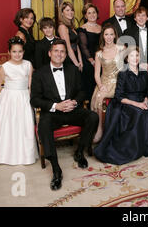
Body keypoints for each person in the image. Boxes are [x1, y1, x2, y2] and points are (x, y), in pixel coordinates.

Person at [30, 39, 99, 190]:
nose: (59, 54)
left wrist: (74, 102)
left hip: (72, 110)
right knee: (43, 125)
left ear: (66, 54)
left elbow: (82, 91)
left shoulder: (72, 69)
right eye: (56, 51)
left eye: (62, 51)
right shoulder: (40, 73)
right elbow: (34, 99)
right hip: (53, 112)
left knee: (93, 117)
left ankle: (79, 152)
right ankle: (56, 169)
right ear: (49, 53)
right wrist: (56, 106)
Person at [94, 46, 148, 165]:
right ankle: (132, 149)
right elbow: (119, 96)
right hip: (126, 103)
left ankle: (147, 146)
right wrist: (137, 104)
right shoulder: (123, 73)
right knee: (139, 113)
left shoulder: (144, 72)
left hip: (142, 101)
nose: (135, 58)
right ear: (127, 59)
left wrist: (145, 101)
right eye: (132, 56)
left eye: (137, 55)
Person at [0, 36, 38, 165]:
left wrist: (31, 98)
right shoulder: (5, 67)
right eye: (14, 52)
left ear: (23, 52)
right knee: (8, 126)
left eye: (20, 51)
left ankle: (25, 155)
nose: (17, 54)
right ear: (9, 52)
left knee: (24, 125)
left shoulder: (28, 65)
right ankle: (4, 155)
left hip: (24, 97)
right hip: (8, 98)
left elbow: (31, 84)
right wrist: (5, 97)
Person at [90, 24, 124, 143]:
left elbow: (128, 65)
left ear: (115, 35)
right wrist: (101, 86)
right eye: (106, 34)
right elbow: (96, 74)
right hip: (104, 82)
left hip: (118, 82)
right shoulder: (99, 53)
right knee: (99, 96)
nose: (109, 37)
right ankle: (99, 129)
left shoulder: (121, 48)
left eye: (111, 34)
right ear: (103, 36)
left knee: (106, 96)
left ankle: (113, 131)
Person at [77, 3, 102, 100]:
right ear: (85, 15)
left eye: (94, 12)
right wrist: (92, 61)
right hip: (89, 62)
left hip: (101, 60)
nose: (92, 15)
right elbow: (83, 47)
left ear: (97, 13)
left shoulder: (101, 28)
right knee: (90, 87)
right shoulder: (82, 29)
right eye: (89, 13)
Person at [57, 2, 83, 72]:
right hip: (69, 59)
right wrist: (76, 63)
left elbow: (76, 45)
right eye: (67, 10)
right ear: (62, 13)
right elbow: (68, 47)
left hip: (75, 57)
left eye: (72, 10)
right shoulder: (62, 27)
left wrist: (80, 61)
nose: (70, 12)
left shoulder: (72, 27)